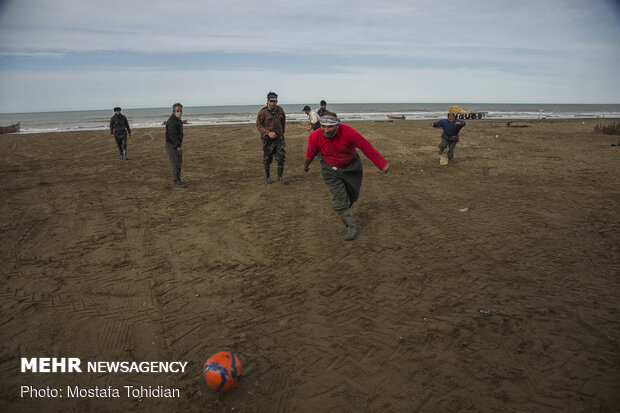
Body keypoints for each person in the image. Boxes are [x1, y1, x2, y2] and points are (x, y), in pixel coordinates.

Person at [302, 113, 390, 240]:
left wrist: (381, 164)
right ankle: (351, 226)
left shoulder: (349, 132)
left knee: (353, 196)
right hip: (329, 170)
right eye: (323, 126)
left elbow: (366, 146)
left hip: (351, 167)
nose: (326, 130)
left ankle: (344, 208)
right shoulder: (315, 136)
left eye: (330, 127)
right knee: (340, 200)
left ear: (337, 125)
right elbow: (310, 154)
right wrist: (305, 167)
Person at [256, 91, 287, 184]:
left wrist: (282, 133)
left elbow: (283, 122)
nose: (273, 103)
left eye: (275, 101)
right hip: (267, 139)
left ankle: (280, 177)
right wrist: (268, 133)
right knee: (267, 159)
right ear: (267, 101)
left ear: (277, 101)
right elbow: (258, 125)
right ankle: (268, 177)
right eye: (271, 101)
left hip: (279, 138)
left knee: (281, 158)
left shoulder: (280, 110)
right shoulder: (262, 112)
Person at [165, 103, 186, 188]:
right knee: (175, 163)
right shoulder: (172, 121)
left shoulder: (177, 119)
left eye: (180, 110)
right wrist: (178, 146)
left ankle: (178, 179)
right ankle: (175, 181)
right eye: (177, 111)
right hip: (172, 145)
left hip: (177, 144)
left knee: (179, 163)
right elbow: (172, 135)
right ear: (173, 111)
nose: (179, 112)